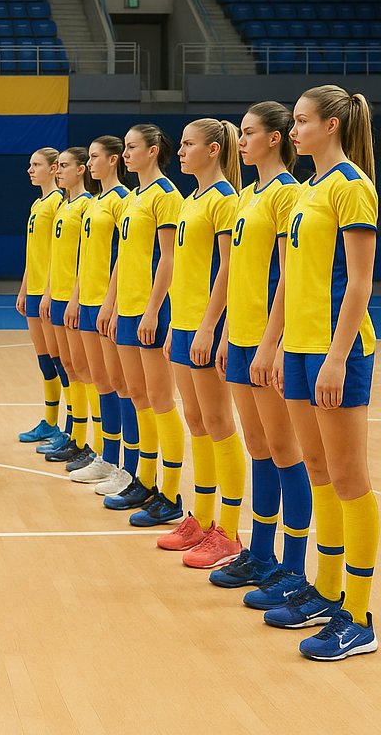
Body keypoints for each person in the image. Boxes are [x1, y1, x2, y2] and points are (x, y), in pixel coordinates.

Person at [269, 86, 378, 661]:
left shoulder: (352, 187)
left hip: (339, 349)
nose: (295, 130)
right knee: (318, 470)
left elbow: (359, 281)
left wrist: (337, 356)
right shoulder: (307, 189)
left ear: (332, 125)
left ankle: (359, 615)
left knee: (349, 476)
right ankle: (327, 591)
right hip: (300, 347)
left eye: (304, 121)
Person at [212, 102, 313, 600]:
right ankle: (263, 552)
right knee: (258, 447)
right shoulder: (247, 195)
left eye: (250, 133)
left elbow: (287, 275)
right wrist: (230, 328)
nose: (242, 141)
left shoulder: (286, 193)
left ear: (276, 139)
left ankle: (294, 567)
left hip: (270, 341)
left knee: (285, 450)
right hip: (243, 335)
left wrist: (270, 343)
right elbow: (239, 275)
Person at [154, 119, 242, 567]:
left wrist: (210, 326)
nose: (181, 151)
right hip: (184, 324)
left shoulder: (225, 199)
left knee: (219, 423)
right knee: (196, 420)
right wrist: (175, 326)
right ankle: (202, 519)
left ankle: (227, 530)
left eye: (188, 144)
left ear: (213, 149)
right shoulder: (192, 199)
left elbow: (228, 269)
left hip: (207, 325)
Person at [105, 125, 184, 518]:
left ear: (153, 151)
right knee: (138, 397)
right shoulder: (134, 197)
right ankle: (145, 479)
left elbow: (168, 258)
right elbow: (124, 255)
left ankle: (168, 494)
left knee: (160, 400)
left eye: (133, 147)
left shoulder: (166, 196)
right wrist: (113, 302)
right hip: (128, 308)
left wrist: (154, 309)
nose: (127, 153)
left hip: (152, 309)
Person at [66, 136, 133, 494]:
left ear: (113, 160)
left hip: (110, 305)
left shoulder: (123, 200)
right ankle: (107, 456)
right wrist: (79, 296)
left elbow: (127, 257)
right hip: (90, 302)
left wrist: (111, 300)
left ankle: (127, 466)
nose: (90, 163)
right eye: (88, 156)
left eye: (95, 157)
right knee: (97, 380)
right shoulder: (96, 203)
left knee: (118, 385)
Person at [40, 148, 97, 471]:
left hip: (76, 297)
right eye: (56, 166)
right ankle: (73, 434)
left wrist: (73, 294)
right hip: (57, 295)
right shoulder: (63, 205)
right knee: (69, 367)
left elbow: (85, 258)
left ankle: (86, 442)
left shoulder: (86, 205)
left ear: (80, 170)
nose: (57, 171)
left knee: (84, 372)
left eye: (63, 166)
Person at [15, 148, 68, 449]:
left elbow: (59, 256)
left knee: (61, 361)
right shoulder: (38, 203)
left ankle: (67, 429)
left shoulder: (58, 202)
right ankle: (49, 421)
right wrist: (24, 288)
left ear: (53, 169)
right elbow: (33, 253)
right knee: (45, 360)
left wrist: (48, 291)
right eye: (30, 164)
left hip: (50, 293)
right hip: (34, 291)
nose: (30, 170)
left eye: (36, 165)